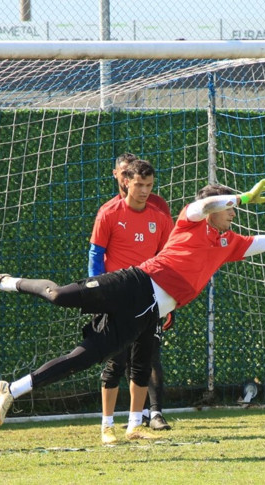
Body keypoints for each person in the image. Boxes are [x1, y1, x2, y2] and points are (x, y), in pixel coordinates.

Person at [0, 177, 265, 435]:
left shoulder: (230, 243)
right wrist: (241, 197)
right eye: (229, 207)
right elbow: (204, 204)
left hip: (148, 313)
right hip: (134, 284)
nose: (233, 213)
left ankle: (12, 389)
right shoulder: (191, 221)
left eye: (233, 207)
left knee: (85, 357)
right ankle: (6, 282)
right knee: (60, 296)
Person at [88, 157, 174, 443]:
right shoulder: (109, 213)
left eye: (149, 185)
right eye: (139, 185)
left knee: (143, 363)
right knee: (115, 363)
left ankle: (136, 425)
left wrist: (169, 299)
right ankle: (107, 427)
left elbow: (167, 260)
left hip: (148, 299)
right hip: (115, 299)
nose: (144, 191)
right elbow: (96, 255)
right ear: (126, 182)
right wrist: (97, 292)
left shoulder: (159, 219)